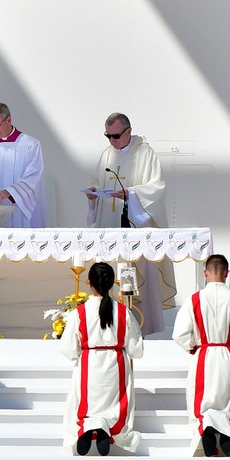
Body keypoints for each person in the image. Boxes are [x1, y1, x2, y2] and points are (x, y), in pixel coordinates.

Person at [85, 113, 175, 334]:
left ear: (128, 131)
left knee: (138, 273)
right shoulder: (107, 155)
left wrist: (131, 194)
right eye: (108, 136)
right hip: (110, 225)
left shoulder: (145, 154)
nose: (112, 141)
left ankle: (143, 327)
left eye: (115, 135)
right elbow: (98, 181)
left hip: (136, 228)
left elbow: (157, 188)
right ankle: (109, 326)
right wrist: (94, 194)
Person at [172, 253, 230, 457]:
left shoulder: (194, 299)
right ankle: (227, 433)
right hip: (229, 354)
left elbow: (180, 334)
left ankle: (208, 430)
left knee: (204, 401)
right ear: (227, 274)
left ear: (205, 273)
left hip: (204, 355)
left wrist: (194, 347)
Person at [59, 261, 143, 456]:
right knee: (114, 406)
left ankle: (88, 427)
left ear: (89, 282)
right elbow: (136, 349)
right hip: (116, 366)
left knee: (87, 404)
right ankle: (106, 429)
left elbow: (69, 350)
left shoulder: (78, 313)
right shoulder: (124, 312)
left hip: (90, 364)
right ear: (112, 283)